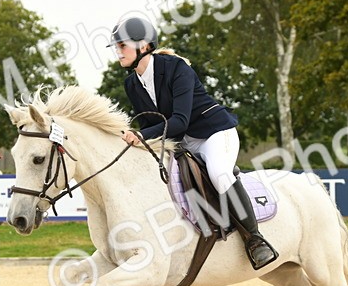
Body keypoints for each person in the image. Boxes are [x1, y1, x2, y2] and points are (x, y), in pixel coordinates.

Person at [109, 15, 278, 270]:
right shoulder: (132, 83)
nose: (117, 52)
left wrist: (142, 136)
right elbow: (150, 125)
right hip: (181, 143)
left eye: (122, 46)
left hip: (213, 133)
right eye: (117, 47)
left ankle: (255, 239)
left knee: (219, 173)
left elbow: (180, 121)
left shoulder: (176, 68)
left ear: (143, 46)